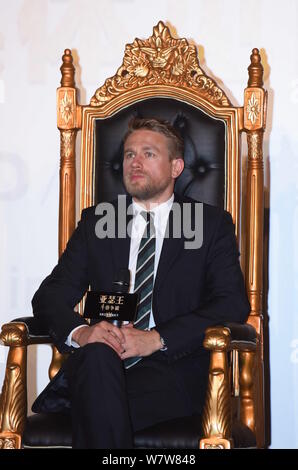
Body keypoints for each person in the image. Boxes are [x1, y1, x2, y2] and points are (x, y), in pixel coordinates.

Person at [32, 117, 250, 449]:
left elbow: (231, 303)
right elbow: (50, 296)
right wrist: (82, 332)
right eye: (129, 154)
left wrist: (156, 339)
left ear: (176, 167)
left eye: (148, 154)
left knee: (96, 403)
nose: (134, 162)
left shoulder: (209, 225)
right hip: (99, 365)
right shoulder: (98, 222)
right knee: (97, 358)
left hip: (173, 370)